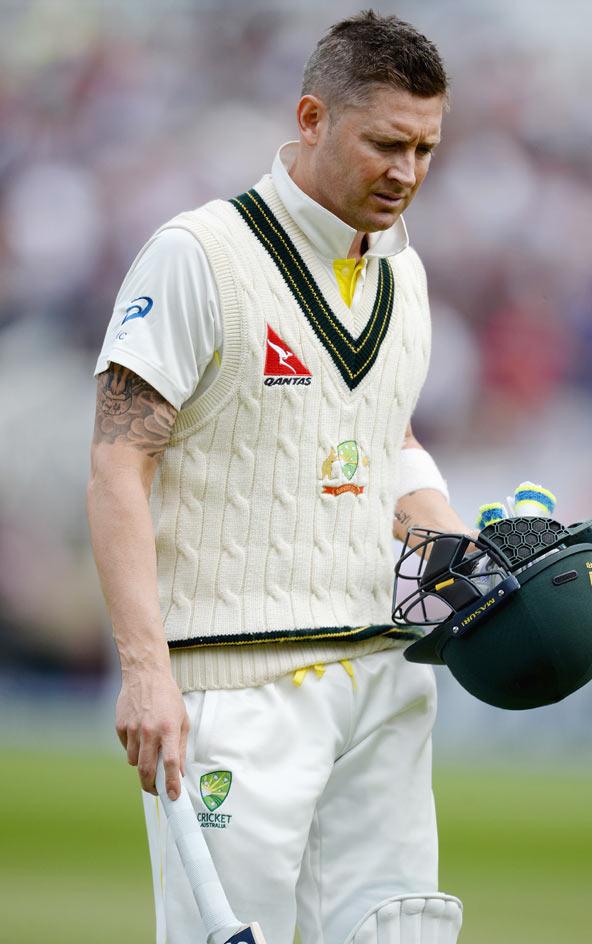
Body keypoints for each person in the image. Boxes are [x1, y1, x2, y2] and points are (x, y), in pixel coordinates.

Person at [88, 11, 471, 944]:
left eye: (425, 148)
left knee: (398, 933)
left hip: (383, 673)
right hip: (237, 684)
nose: (407, 174)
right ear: (311, 116)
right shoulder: (200, 254)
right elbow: (115, 460)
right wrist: (145, 673)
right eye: (386, 144)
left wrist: (445, 533)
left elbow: (383, 432)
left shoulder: (401, 272)